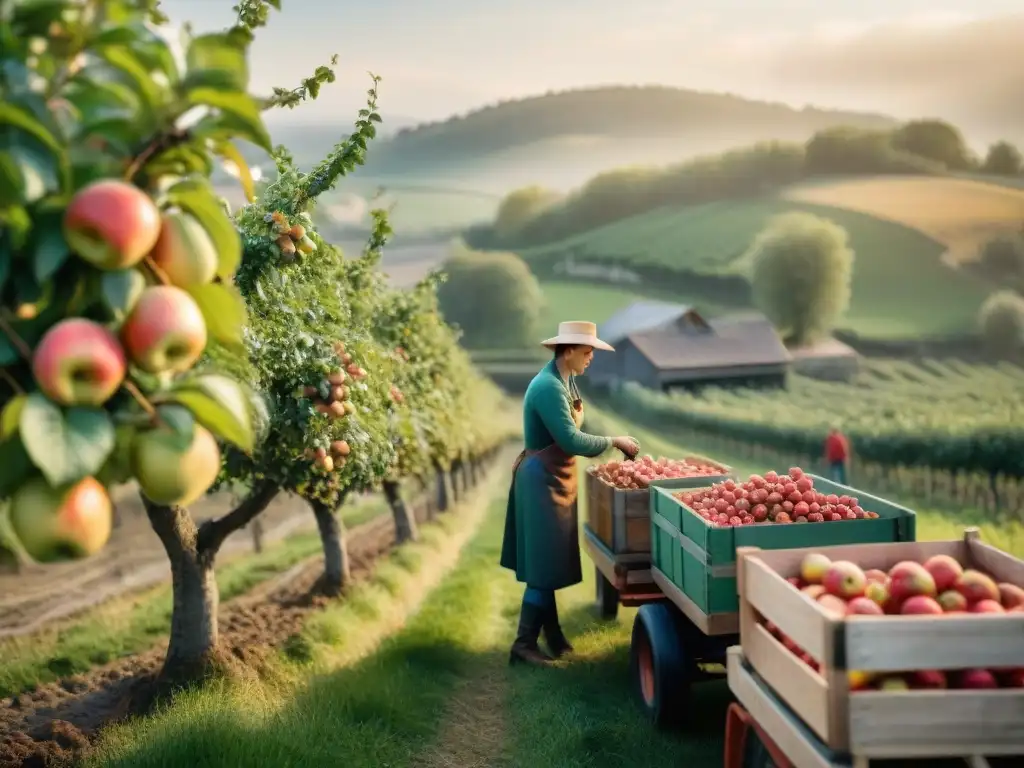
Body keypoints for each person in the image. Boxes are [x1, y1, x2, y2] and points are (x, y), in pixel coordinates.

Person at [500, 321, 640, 667]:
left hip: (554, 478)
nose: (592, 358)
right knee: (542, 564)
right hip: (540, 481)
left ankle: (554, 636)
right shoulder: (548, 386)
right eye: (588, 352)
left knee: (547, 560)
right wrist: (613, 441)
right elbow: (571, 441)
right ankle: (523, 644)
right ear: (569, 350)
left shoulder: (566, 380)